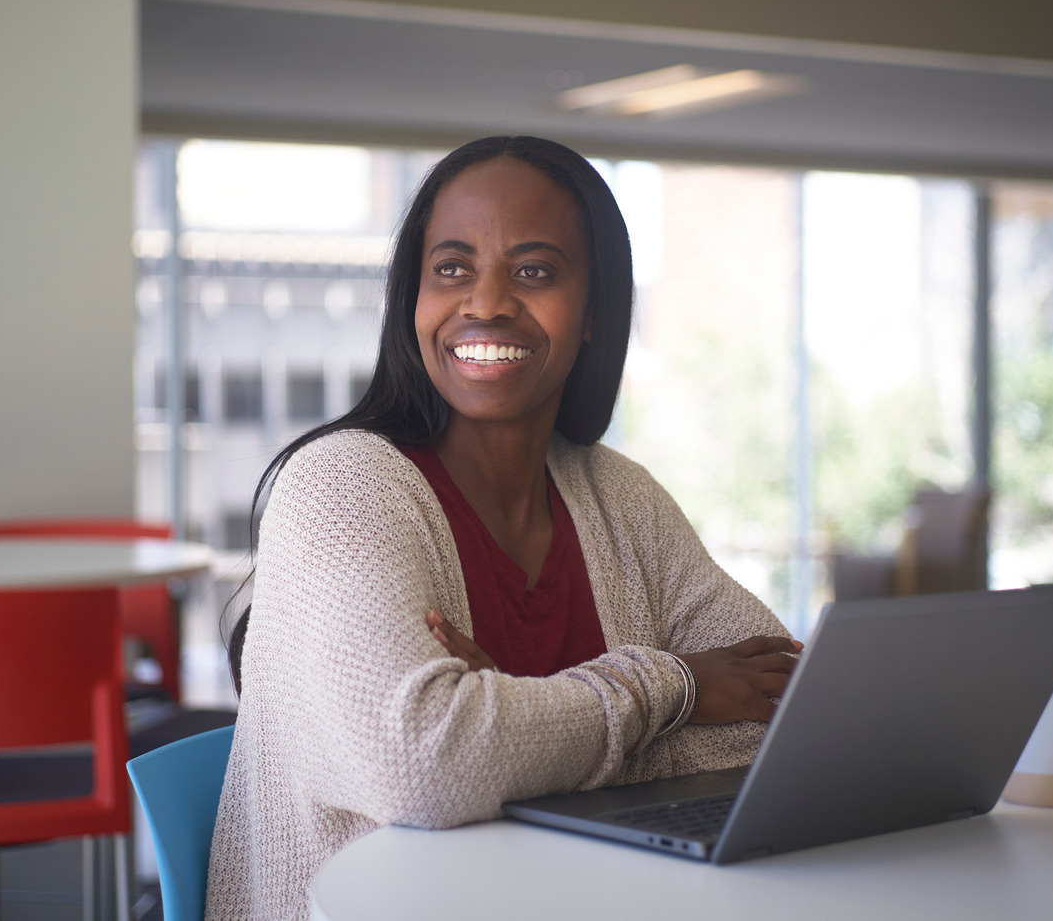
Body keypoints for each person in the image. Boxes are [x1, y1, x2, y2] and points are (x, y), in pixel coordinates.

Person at [206, 136, 800, 918]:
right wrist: (678, 684)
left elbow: (779, 721)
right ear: (412, 300)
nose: (485, 302)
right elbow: (426, 764)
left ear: (593, 313)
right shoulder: (341, 484)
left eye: (534, 271)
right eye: (451, 267)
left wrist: (512, 722)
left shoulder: (619, 497)